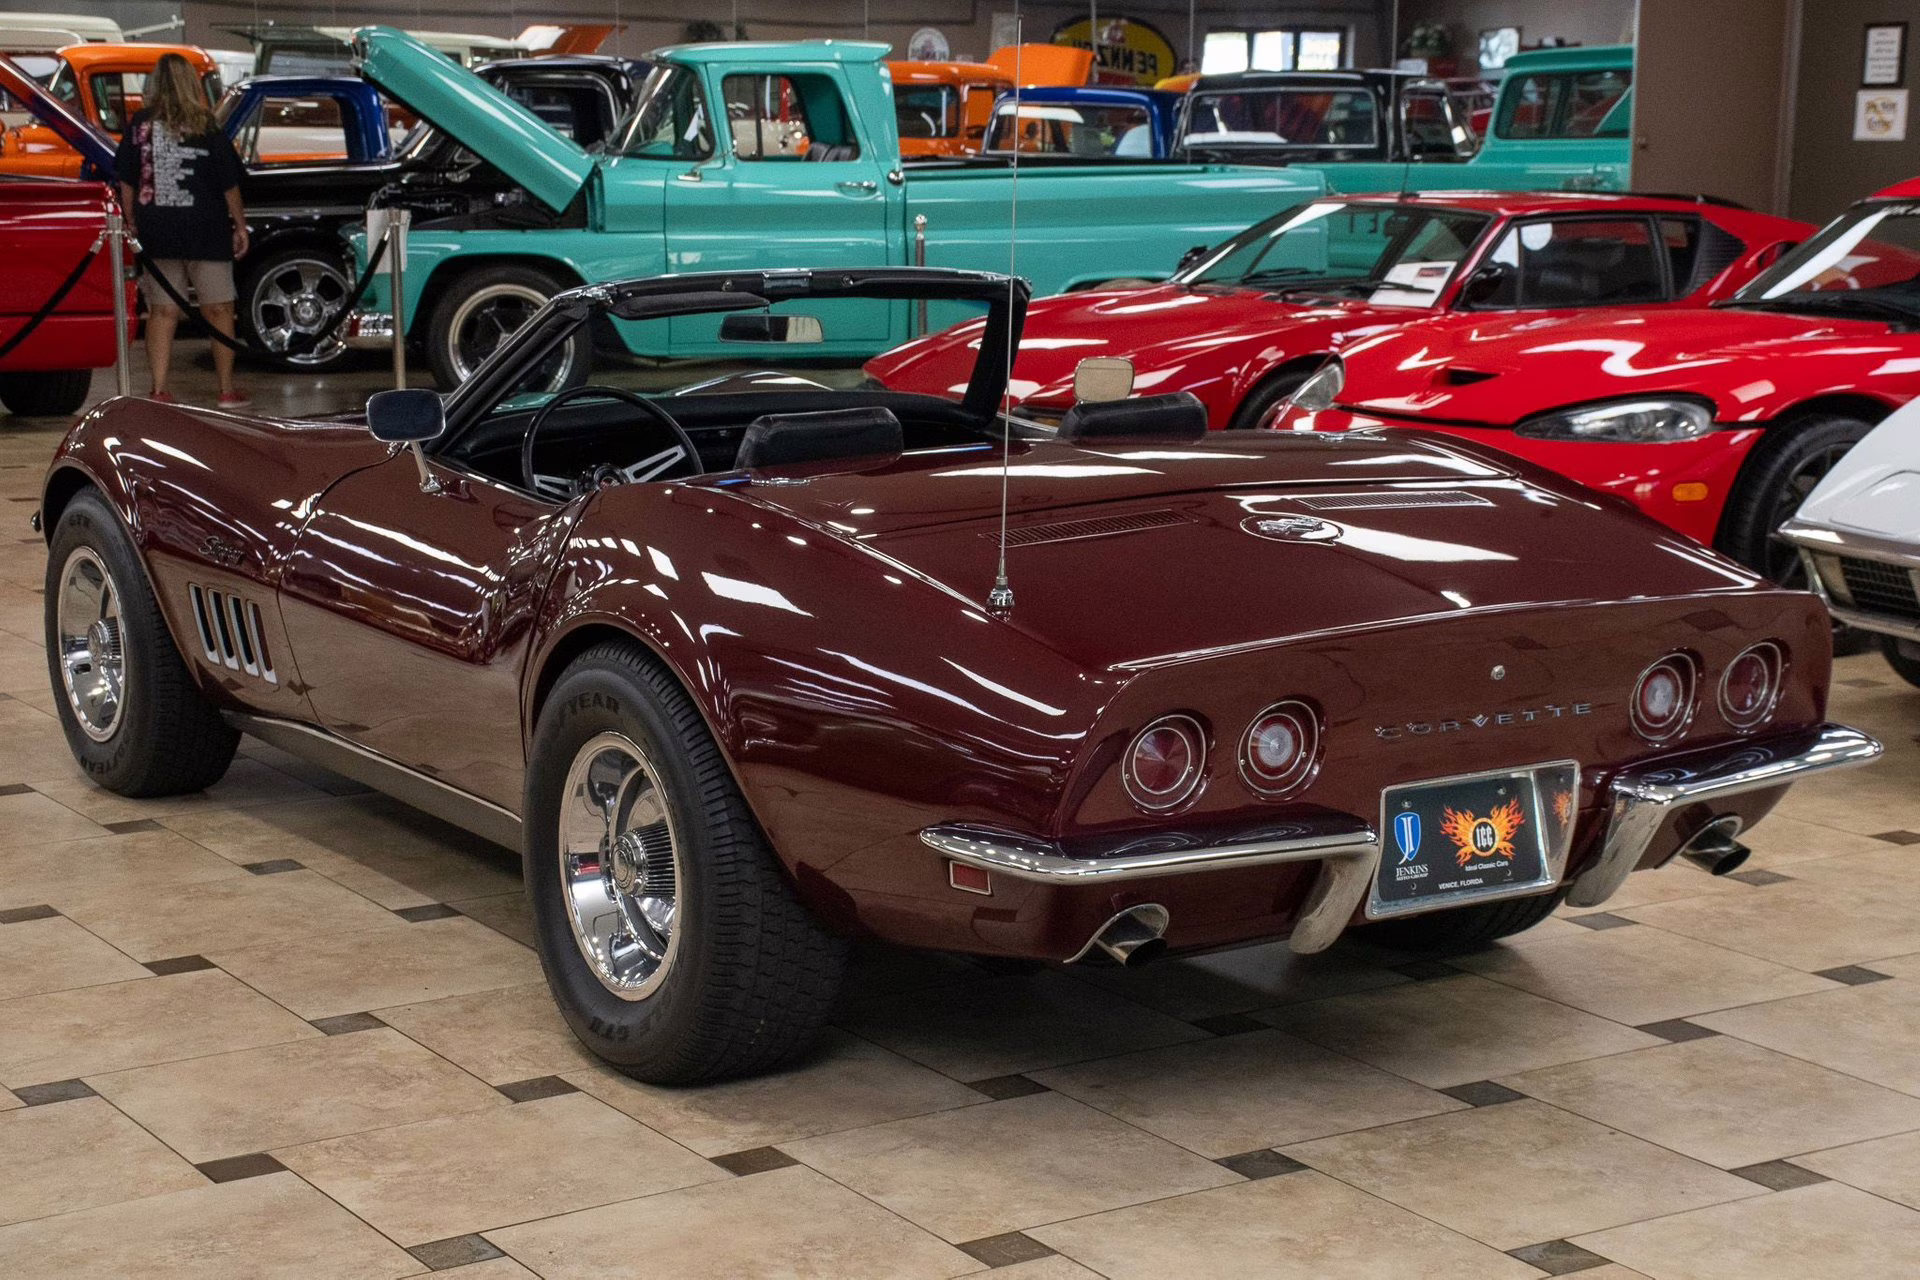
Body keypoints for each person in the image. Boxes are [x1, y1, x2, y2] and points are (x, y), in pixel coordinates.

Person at [113, 54, 249, 406]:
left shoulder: (140, 125)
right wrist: (240, 223)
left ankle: (159, 389)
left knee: (162, 311)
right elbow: (228, 182)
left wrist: (130, 219)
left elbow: (126, 178)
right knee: (218, 309)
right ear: (192, 83)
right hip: (207, 228)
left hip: (157, 230)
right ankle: (225, 389)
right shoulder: (207, 124)